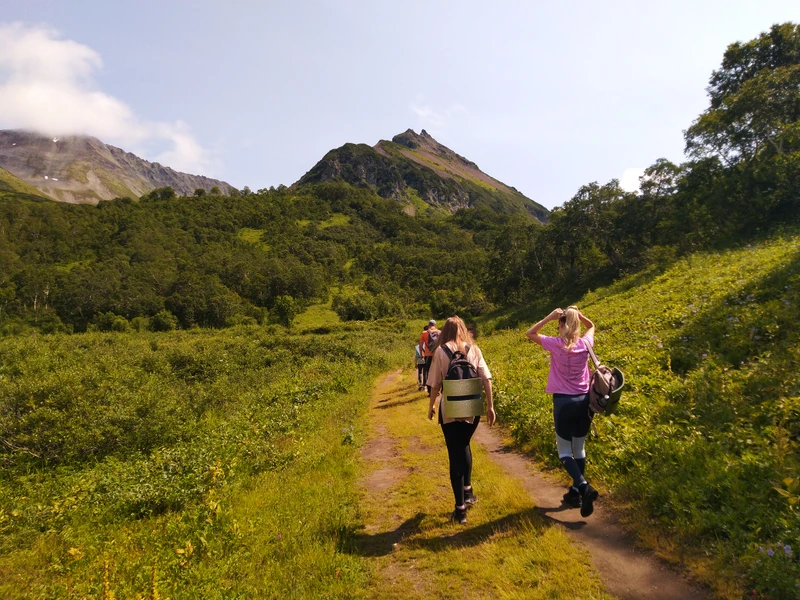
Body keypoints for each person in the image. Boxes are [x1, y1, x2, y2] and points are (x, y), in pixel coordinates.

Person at [525, 305, 599, 518]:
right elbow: (591, 326)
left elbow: (530, 333)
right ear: (576, 324)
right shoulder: (585, 343)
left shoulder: (555, 344)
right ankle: (576, 492)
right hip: (584, 402)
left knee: (565, 452)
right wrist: (578, 314)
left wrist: (549, 317)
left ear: (560, 325)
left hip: (563, 403)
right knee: (579, 448)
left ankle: (583, 487)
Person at [427, 316, 496, 524]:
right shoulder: (473, 349)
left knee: (454, 454)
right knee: (464, 445)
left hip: (451, 405)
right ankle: (468, 492)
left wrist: (431, 406)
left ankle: (460, 510)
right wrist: (490, 406)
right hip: (472, 404)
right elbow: (486, 378)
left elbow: (436, 384)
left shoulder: (440, 351)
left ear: (445, 331)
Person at [419, 319, 439, 392]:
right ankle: (437, 390)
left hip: (428, 355)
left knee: (427, 371)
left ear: (428, 325)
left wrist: (421, 354)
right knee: (437, 372)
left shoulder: (424, 333)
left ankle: (429, 390)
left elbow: (421, 345)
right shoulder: (440, 332)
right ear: (435, 325)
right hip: (437, 355)